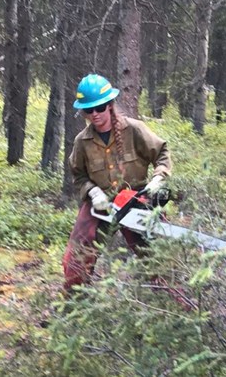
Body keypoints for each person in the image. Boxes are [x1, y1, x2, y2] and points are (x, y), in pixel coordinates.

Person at [62, 74, 172, 292]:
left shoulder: (134, 129)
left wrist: (159, 178)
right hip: (102, 204)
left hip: (137, 199)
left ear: (110, 105)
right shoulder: (82, 142)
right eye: (89, 110)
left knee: (158, 255)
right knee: (76, 257)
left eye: (100, 107)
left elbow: (162, 153)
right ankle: (74, 305)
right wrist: (92, 192)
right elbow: (79, 175)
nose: (95, 114)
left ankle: (174, 306)